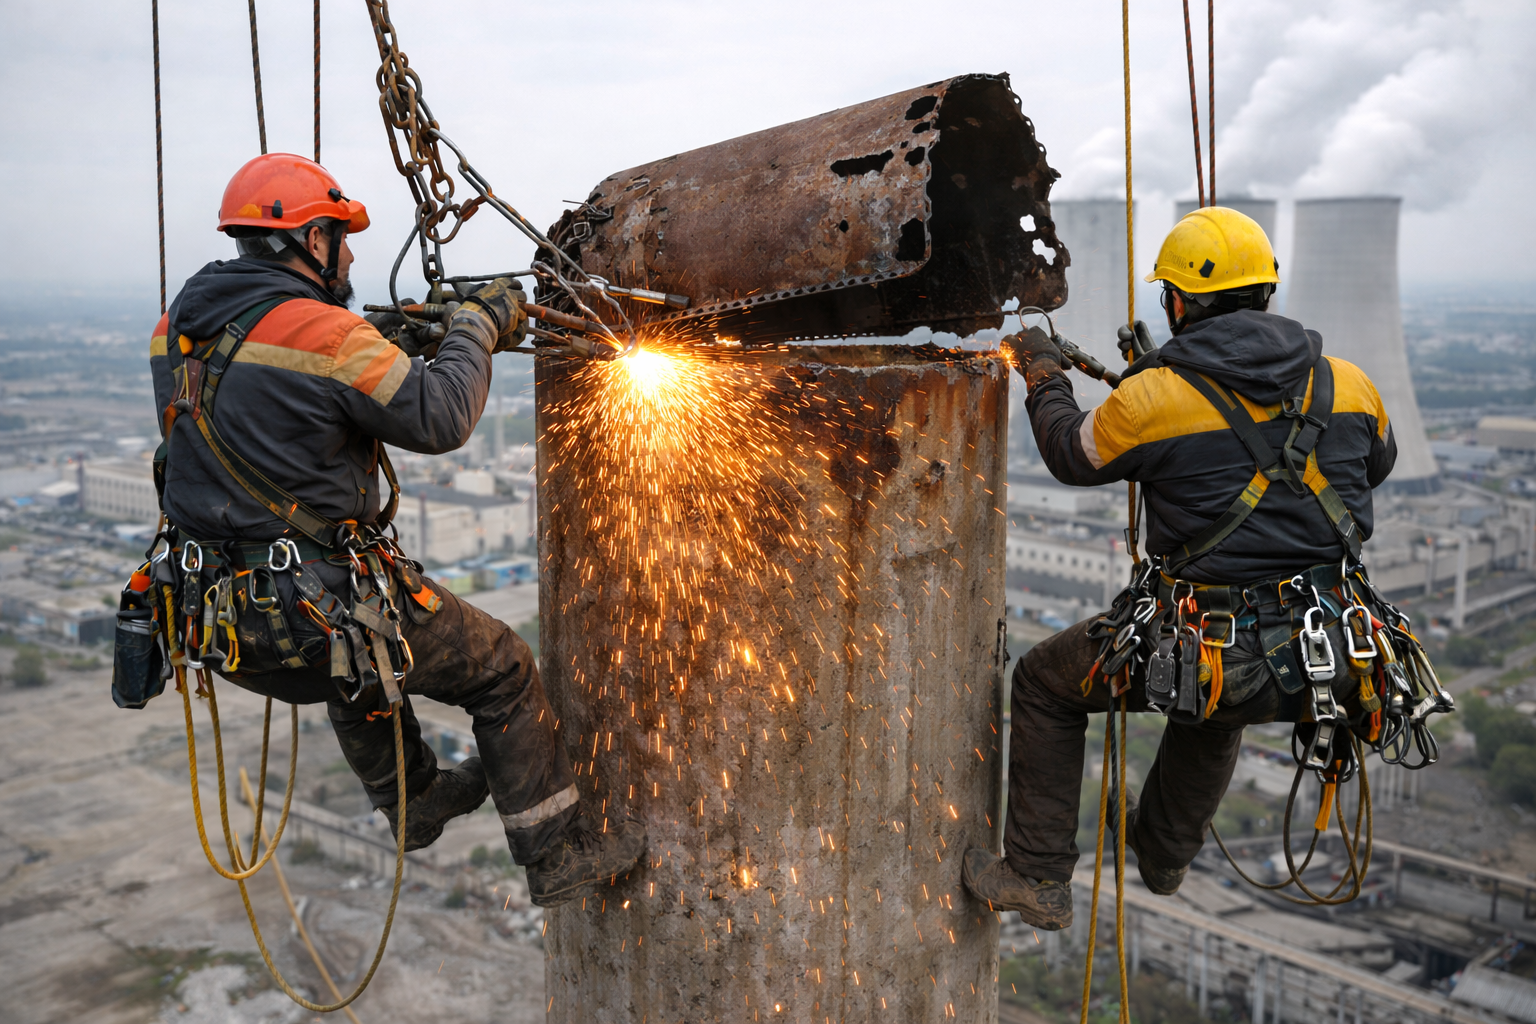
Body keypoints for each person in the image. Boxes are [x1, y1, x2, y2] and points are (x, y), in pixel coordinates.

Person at [146, 153, 644, 907]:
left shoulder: (174, 329)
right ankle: (558, 852)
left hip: (222, 624)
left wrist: (380, 342)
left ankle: (414, 804)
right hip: (311, 609)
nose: (349, 255)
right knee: (501, 669)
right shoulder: (321, 332)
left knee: (361, 660)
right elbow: (438, 417)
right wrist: (473, 330)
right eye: (340, 239)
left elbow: (271, 409)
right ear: (310, 240)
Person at [962, 207, 1397, 929]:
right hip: (1331, 657)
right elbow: (1373, 465)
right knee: (1215, 702)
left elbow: (1073, 453)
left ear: (1178, 301)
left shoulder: (1158, 398)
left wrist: (1043, 375)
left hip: (1219, 650)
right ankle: (1163, 853)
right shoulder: (1350, 384)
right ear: (1265, 293)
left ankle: (1036, 875)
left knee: (1043, 683)